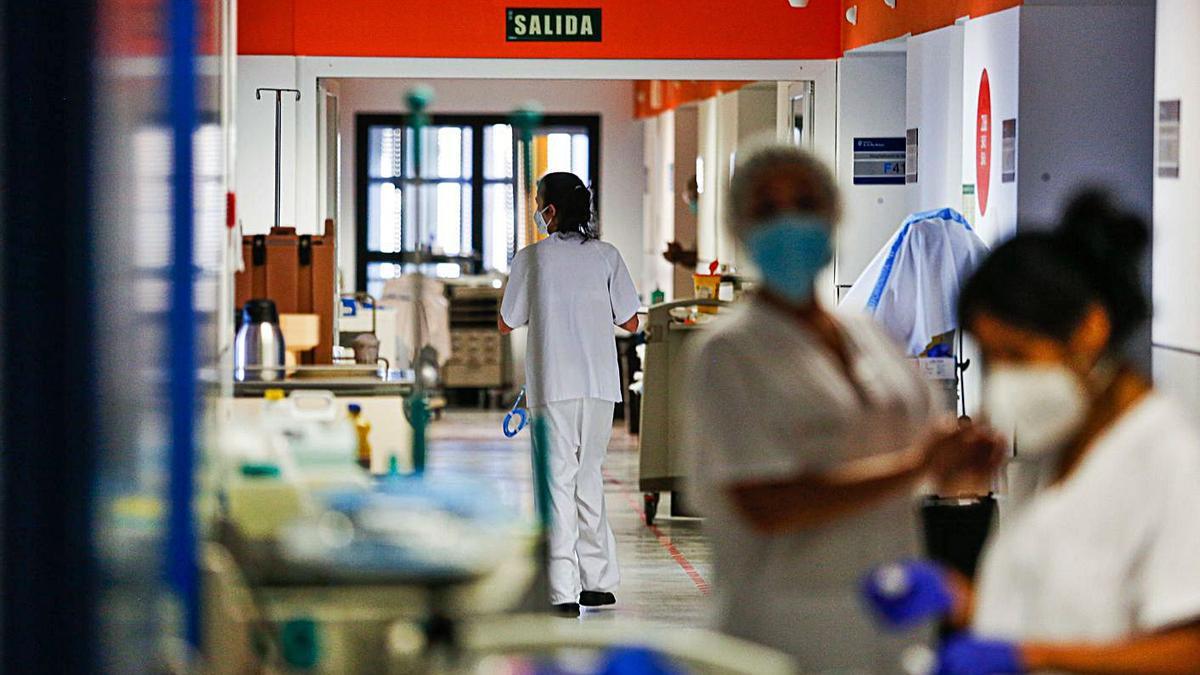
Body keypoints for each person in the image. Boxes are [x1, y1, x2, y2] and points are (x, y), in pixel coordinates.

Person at [681, 145, 1002, 671]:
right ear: (739, 228)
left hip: (891, 617)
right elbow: (767, 503)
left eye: (805, 204)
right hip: (786, 626)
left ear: (833, 215)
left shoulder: (867, 337)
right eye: (767, 209)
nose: (790, 223)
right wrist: (919, 464)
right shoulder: (732, 353)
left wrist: (962, 457)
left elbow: (924, 454)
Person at [863, 191, 1200, 673]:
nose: (1005, 378)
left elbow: (1189, 652)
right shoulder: (1060, 451)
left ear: (1089, 330)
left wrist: (1033, 656)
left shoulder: (1168, 458)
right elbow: (1066, 615)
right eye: (992, 359)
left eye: (1017, 355)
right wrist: (959, 594)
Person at [499, 172, 641, 618]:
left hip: (553, 386)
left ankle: (562, 591)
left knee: (556, 482)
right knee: (588, 479)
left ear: (551, 210)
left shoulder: (531, 259)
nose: (537, 210)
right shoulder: (607, 256)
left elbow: (508, 320)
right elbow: (632, 321)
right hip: (599, 385)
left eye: (539, 202)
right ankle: (598, 583)